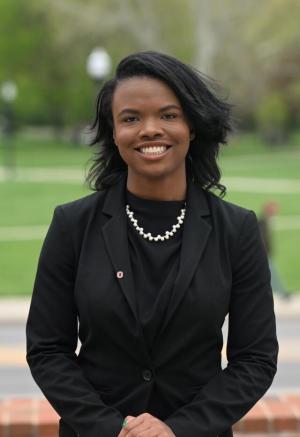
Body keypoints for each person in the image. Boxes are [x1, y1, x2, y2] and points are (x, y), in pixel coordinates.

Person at [26, 51, 278, 437]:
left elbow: (256, 359)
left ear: (191, 126)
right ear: (114, 132)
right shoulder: (72, 225)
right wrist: (113, 427)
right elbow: (47, 350)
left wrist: (177, 429)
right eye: (130, 118)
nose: (149, 129)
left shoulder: (237, 230)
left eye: (168, 115)